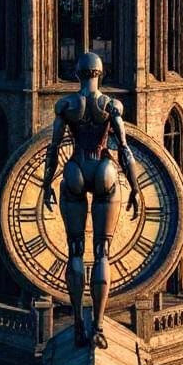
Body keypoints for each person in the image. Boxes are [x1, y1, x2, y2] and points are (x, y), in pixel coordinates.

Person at [40, 51, 139, 348]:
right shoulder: (111, 106)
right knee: (102, 251)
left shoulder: (67, 107)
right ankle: (98, 326)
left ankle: (79, 325)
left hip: (75, 169)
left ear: (77, 74)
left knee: (74, 250)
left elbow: (53, 150)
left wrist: (46, 185)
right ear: (101, 74)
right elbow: (124, 149)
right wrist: (134, 187)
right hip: (103, 169)